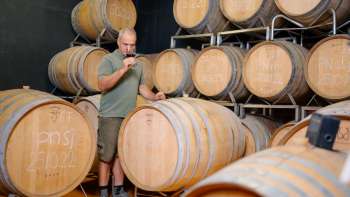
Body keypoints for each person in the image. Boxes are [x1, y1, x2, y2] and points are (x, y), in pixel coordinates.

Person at [97, 28, 166, 197]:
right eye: (125, 44)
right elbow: (102, 85)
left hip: (129, 116)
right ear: (118, 43)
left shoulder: (139, 65)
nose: (129, 48)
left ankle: (119, 190)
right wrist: (122, 69)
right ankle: (103, 192)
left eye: (132, 45)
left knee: (121, 155)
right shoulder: (108, 60)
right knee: (107, 156)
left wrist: (155, 97)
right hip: (110, 115)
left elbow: (142, 89)